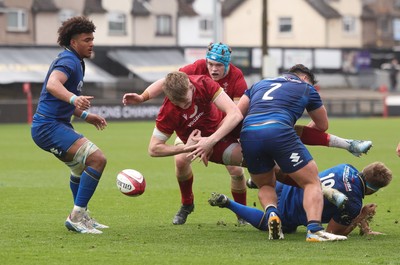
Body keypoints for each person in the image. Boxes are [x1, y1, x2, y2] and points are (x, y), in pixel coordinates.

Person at [123, 43, 372, 225]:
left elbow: (235, 113)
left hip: (229, 128)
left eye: (218, 65)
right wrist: (144, 98)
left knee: (258, 163)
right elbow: (165, 83)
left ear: (227, 64)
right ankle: (187, 204)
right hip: (198, 136)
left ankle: (245, 211)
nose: (213, 69)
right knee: (181, 161)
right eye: (210, 64)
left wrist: (210, 141)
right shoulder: (192, 76)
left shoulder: (227, 80)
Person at [234, 64, 347, 241]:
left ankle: (272, 213)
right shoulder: (306, 87)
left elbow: (236, 115)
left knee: (265, 184)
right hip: (280, 132)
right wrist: (295, 139)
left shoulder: (259, 84)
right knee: (311, 182)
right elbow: (322, 125)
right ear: (304, 78)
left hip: (249, 135)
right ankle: (314, 230)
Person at [31, 16, 108, 234]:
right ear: (74, 42)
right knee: (97, 159)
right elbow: (53, 85)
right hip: (48, 127)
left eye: (92, 38)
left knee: (79, 168)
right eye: (86, 39)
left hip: (54, 125)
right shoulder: (68, 61)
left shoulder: (76, 61)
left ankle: (81, 216)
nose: (91, 43)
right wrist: (75, 99)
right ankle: (76, 217)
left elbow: (58, 99)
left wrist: (85, 115)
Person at [208, 162, 392, 239]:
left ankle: (260, 181)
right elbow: (333, 232)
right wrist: (361, 216)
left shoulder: (347, 167)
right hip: (291, 209)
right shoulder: (353, 203)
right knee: (279, 225)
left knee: (274, 196)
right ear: (373, 189)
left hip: (288, 185)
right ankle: (228, 203)